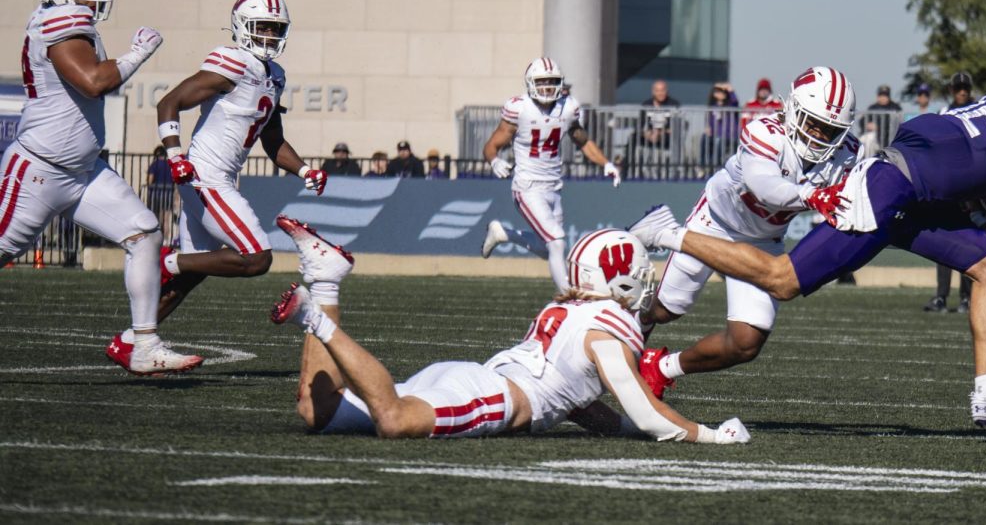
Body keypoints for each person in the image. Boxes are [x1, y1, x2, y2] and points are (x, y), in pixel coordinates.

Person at [630, 86, 986, 427]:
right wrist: (981, 216)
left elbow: (929, 130)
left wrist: (971, 201)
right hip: (889, 192)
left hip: (904, 182)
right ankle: (668, 234)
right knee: (783, 280)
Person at [272, 219, 749, 444]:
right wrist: (710, 436)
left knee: (318, 411)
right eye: (642, 275)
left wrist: (624, 430)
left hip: (469, 378)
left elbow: (581, 404)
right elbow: (646, 411)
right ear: (618, 279)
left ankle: (325, 279)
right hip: (494, 395)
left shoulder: (568, 310)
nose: (645, 285)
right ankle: (313, 315)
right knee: (394, 421)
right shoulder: (612, 326)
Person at [0, 0, 199, 374]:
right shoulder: (59, 19)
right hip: (40, 168)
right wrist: (138, 53)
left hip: (84, 170)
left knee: (144, 232)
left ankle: (143, 345)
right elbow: (93, 82)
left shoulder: (72, 19)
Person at [639, 67, 861, 395]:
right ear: (793, 109)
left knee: (746, 342)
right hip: (715, 223)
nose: (819, 135)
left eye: (830, 129)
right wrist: (811, 195)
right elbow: (764, 187)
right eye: (813, 122)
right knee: (666, 309)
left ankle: (660, 368)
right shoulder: (764, 131)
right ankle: (619, 342)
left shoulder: (847, 155)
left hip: (763, 240)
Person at [137, 0, 327, 370]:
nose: (271, 36)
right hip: (205, 176)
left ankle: (137, 338)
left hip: (216, 177)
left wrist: (304, 169)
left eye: (276, 29)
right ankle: (169, 261)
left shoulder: (274, 74)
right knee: (256, 258)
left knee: (194, 274)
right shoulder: (233, 62)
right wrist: (174, 154)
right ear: (242, 27)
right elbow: (168, 102)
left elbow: (272, 140)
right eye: (263, 27)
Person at [480, 57, 621, 293]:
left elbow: (582, 141)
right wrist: (494, 160)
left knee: (549, 249)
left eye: (551, 81)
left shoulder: (568, 108)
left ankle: (505, 234)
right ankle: (569, 296)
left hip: (554, 187)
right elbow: (491, 144)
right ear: (530, 83)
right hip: (527, 186)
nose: (546, 87)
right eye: (541, 81)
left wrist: (605, 163)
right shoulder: (519, 108)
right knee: (556, 241)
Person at [926, 71, 977, 314]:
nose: (962, 91)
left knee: (968, 243)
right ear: (952, 89)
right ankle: (941, 297)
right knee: (944, 244)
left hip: (970, 182)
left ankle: (967, 298)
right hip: (948, 182)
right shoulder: (943, 114)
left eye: (965, 87)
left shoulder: (978, 112)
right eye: (958, 87)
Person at [638, 80, 681, 179]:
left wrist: (659, 132)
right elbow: (640, 125)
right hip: (649, 136)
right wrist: (647, 134)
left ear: (666, 91)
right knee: (633, 138)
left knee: (669, 139)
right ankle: (630, 168)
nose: (660, 93)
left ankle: (664, 172)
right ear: (653, 91)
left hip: (666, 136)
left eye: (662, 90)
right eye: (657, 90)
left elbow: (674, 127)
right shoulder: (646, 104)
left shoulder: (674, 104)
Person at [700, 82, 740, 171]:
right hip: (715, 134)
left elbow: (735, 101)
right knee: (704, 138)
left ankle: (716, 167)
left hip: (729, 136)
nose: (721, 93)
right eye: (718, 91)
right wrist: (708, 128)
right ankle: (703, 166)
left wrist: (730, 89)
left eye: (723, 92)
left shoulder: (730, 105)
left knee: (719, 142)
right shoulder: (712, 107)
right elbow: (709, 121)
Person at [145, 145, 175, 233]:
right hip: (169, 193)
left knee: (155, 217)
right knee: (166, 218)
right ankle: (165, 241)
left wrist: (148, 184)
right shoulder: (170, 165)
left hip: (156, 193)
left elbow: (150, 180)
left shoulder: (155, 164)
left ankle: (156, 238)